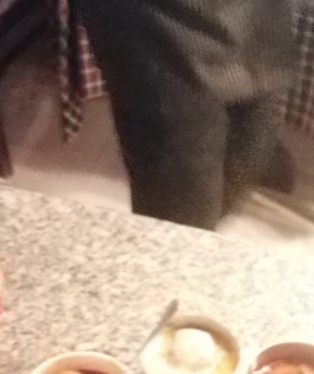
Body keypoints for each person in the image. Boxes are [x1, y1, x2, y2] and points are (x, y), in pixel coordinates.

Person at [75, 0, 296, 230]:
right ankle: (174, 243)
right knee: (183, 203)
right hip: (156, 24)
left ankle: (188, 237)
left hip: (255, 15)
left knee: (253, 141)